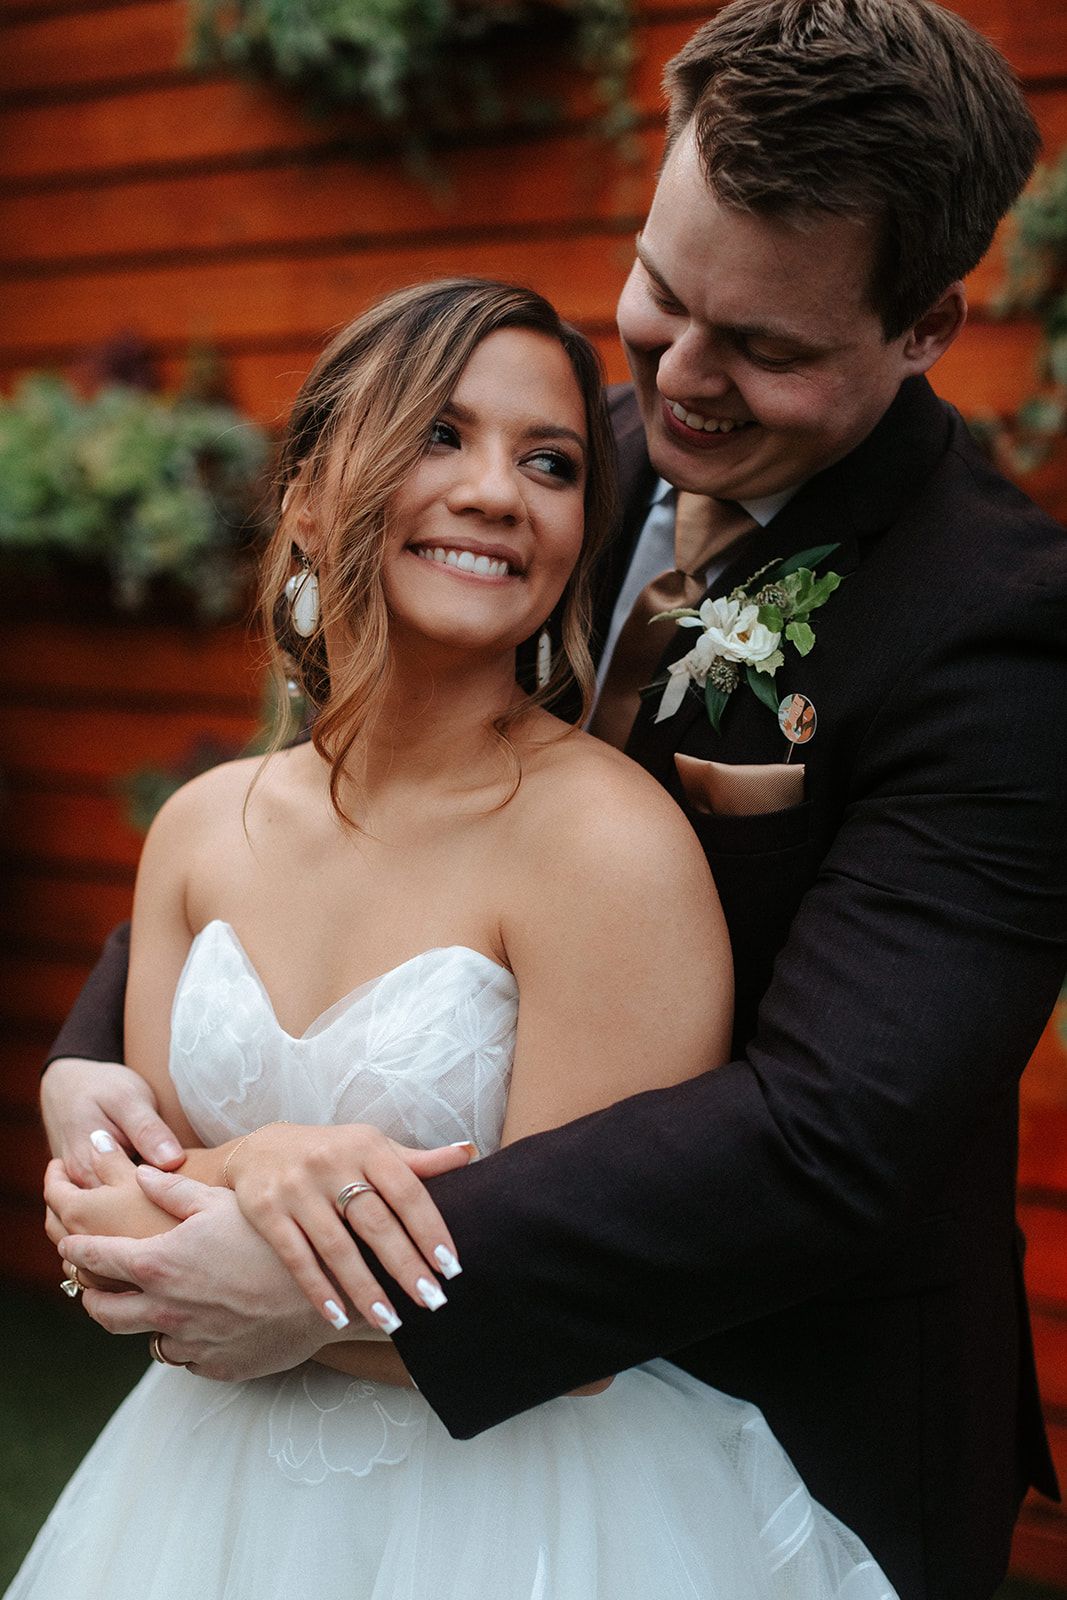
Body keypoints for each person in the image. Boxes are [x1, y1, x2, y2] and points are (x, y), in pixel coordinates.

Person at [40, 3, 1067, 1597]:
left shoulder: (1000, 629)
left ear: (926, 327)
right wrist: (99, 1059)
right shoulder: (554, 463)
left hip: (774, 1415)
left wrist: (325, 1289)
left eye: (772, 348)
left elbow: (829, 1135)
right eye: (662, 294)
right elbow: (364, 788)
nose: (683, 384)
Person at [17, 278, 903, 1599]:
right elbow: (132, 1213)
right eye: (441, 435)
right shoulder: (201, 830)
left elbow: (585, 1307)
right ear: (309, 495)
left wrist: (231, 1236)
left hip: (512, 1505)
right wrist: (255, 1164)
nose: (499, 491)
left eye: (548, 462)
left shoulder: (607, 844)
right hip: (197, 1492)